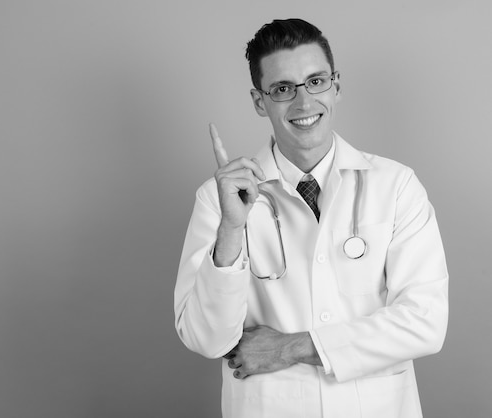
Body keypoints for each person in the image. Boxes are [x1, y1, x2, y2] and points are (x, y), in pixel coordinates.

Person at [174, 18, 448, 417]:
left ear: (336, 86)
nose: (304, 104)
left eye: (316, 81)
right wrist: (232, 227)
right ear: (258, 101)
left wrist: (291, 347)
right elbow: (206, 338)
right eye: (283, 89)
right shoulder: (220, 200)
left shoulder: (396, 185)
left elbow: (425, 323)